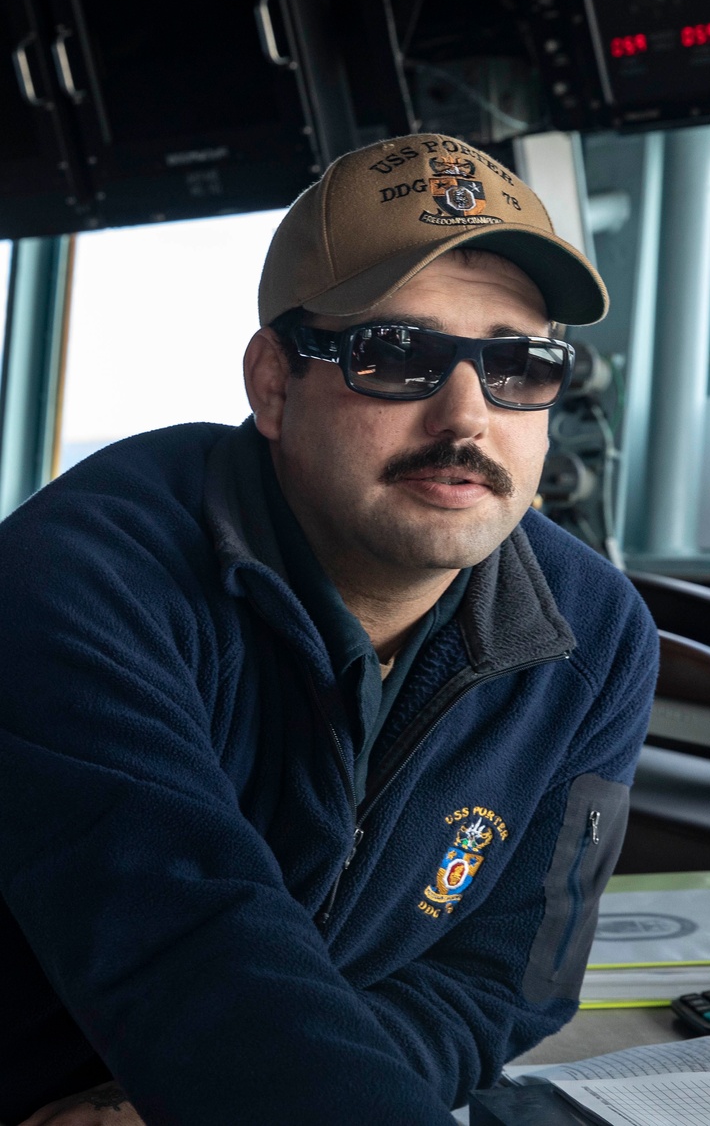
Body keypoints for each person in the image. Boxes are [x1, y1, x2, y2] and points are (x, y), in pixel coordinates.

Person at [0, 134, 659, 1125]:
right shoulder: (82, 577)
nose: (466, 416)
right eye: (396, 355)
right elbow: (183, 934)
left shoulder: (598, 635)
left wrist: (201, 1103)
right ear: (272, 382)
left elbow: (512, 980)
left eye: (518, 364)